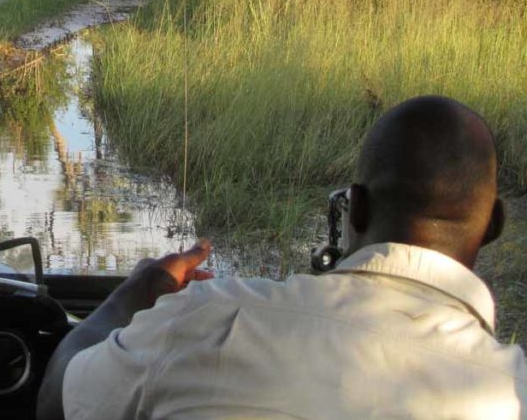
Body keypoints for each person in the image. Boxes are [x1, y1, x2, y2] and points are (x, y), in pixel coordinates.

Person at [37, 95, 527, 419]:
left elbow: (57, 396)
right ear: (494, 226)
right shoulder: (512, 390)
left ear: (355, 208)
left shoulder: (209, 315)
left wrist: (132, 296)